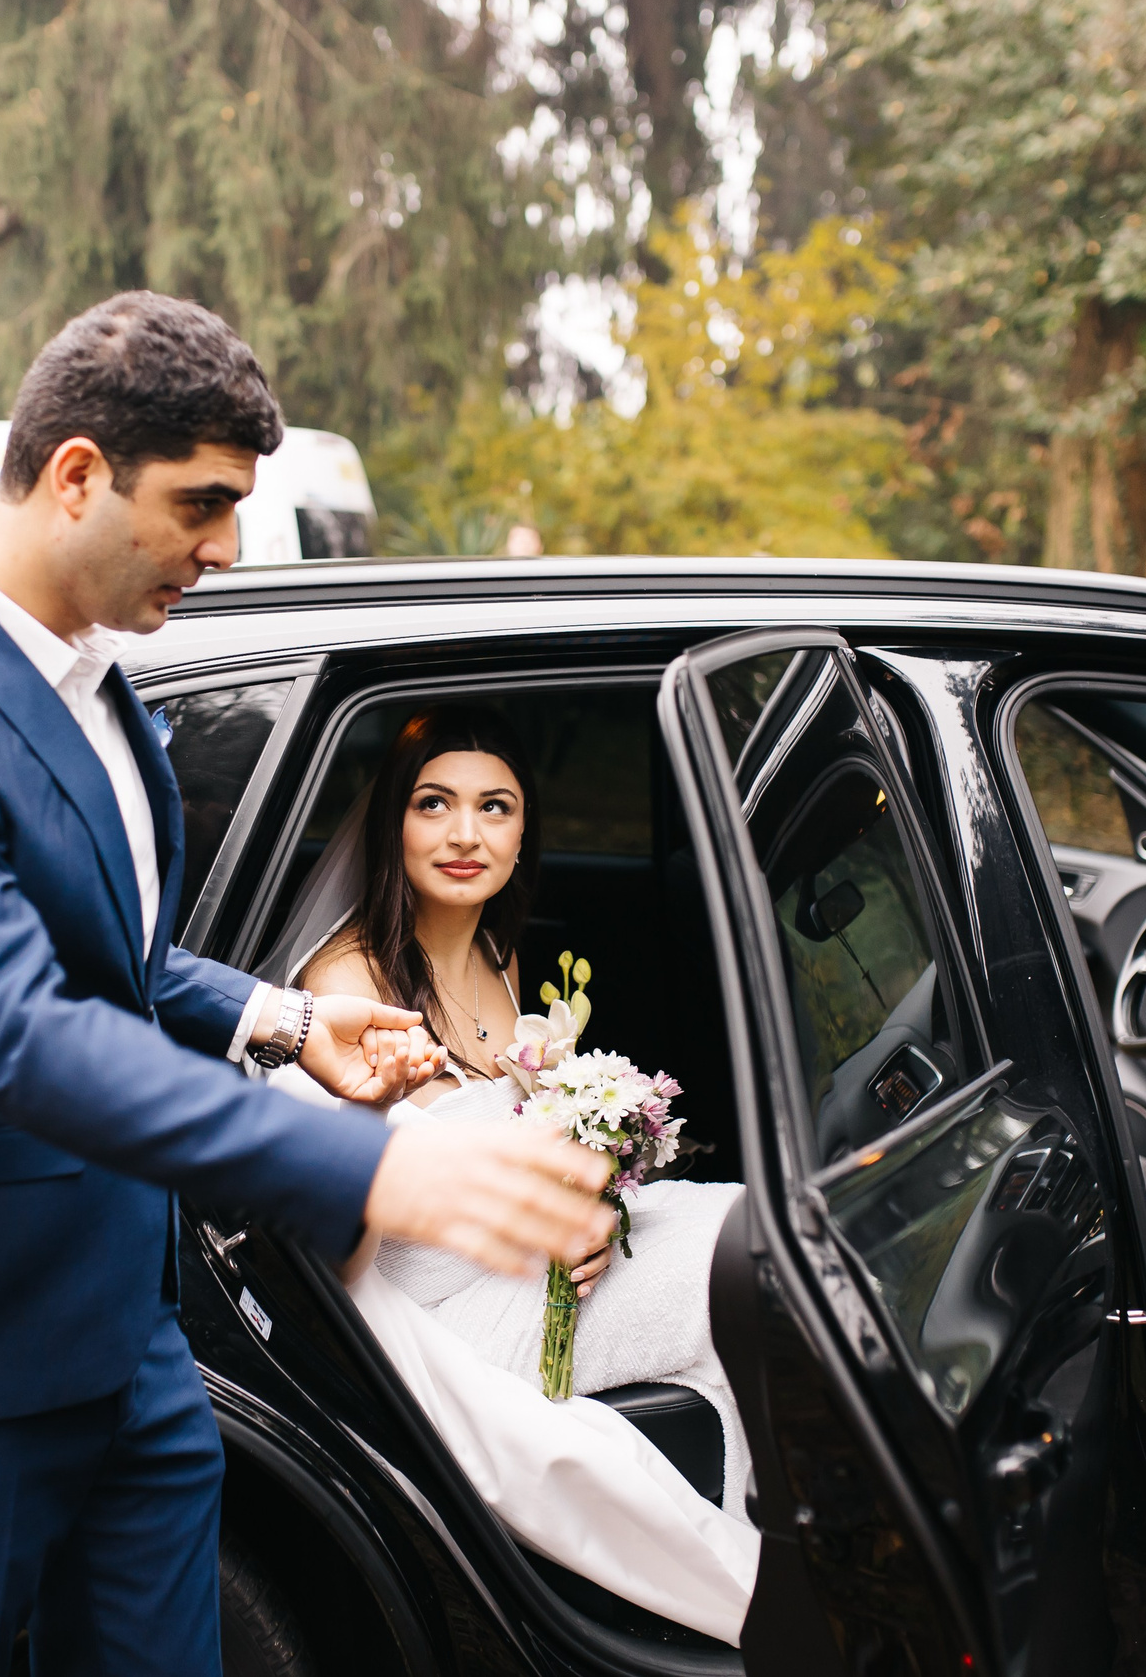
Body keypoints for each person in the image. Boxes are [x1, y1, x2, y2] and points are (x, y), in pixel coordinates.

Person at [0, 293, 616, 1677]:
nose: (225, 547)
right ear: (78, 472)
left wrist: (280, 1018)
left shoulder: (97, 679)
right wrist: (368, 1169)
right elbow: (14, 1029)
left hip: (131, 1349)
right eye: (203, 504)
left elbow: (113, 957)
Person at [279, 705, 758, 1645]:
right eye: (434, 805)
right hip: (435, 1325)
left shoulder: (499, 960)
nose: (466, 835)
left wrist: (588, 1210)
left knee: (751, 1223)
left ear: (524, 829)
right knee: (739, 1268)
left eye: (495, 808)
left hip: (526, 1275)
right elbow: (328, 1266)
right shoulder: (344, 992)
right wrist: (370, 1134)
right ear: (393, 825)